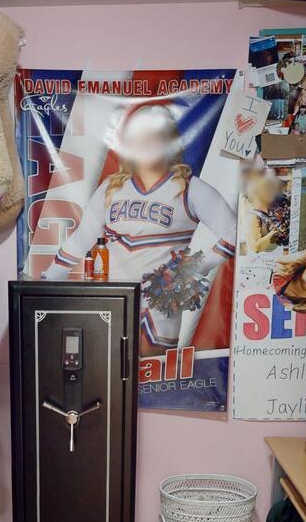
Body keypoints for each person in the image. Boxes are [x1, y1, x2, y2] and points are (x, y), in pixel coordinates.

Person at [54, 99, 234, 348]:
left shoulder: (189, 187)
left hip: (157, 310)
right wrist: (48, 280)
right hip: (112, 302)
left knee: (148, 383)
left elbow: (233, 231)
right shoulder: (112, 187)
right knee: (106, 378)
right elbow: (82, 237)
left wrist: (192, 270)